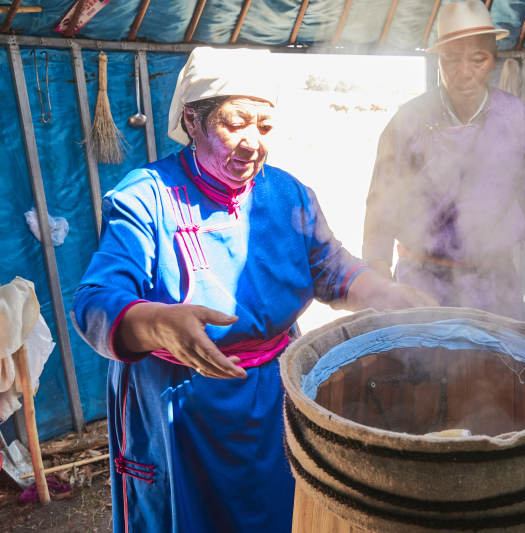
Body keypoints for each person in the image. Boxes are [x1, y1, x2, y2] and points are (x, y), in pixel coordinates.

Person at [71, 47, 435, 533]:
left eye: (264, 127)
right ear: (192, 121)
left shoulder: (287, 194)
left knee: (276, 509)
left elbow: (331, 268)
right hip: (181, 401)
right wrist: (158, 324)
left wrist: (389, 294)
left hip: (271, 394)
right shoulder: (145, 197)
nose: (252, 143)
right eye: (236, 123)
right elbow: (96, 300)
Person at [363, 0, 525, 321]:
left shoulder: (516, 117)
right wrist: (378, 266)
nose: (464, 72)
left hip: (494, 284)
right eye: (451, 60)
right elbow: (382, 199)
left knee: (494, 365)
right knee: (420, 363)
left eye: (477, 59)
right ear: (438, 61)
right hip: (423, 281)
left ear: (494, 62)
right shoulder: (409, 120)